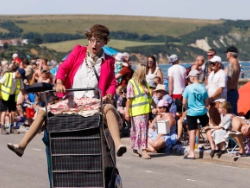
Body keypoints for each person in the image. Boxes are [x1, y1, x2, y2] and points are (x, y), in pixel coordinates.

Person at [7, 24, 127, 158]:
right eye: (92, 40)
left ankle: (118, 145)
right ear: (88, 39)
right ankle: (22, 146)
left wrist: (109, 95)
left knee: (109, 107)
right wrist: (59, 82)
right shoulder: (78, 51)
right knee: (42, 111)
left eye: (98, 41)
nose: (94, 44)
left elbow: (111, 83)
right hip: (72, 101)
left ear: (104, 42)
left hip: (94, 101)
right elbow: (63, 68)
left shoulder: (109, 61)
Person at [182, 70, 215, 159]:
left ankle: (192, 153)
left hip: (192, 112)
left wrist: (186, 108)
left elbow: (184, 102)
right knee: (207, 128)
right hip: (202, 111)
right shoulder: (203, 87)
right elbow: (206, 102)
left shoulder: (188, 88)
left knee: (192, 131)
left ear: (192, 77)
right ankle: (213, 146)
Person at [125, 63, 152, 159]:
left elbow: (149, 97)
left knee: (139, 131)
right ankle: (144, 150)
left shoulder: (145, 83)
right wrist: (127, 113)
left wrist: (155, 107)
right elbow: (129, 99)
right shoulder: (132, 83)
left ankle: (135, 148)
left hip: (145, 111)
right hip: (137, 111)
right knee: (140, 131)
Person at [0, 68, 26, 134]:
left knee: (13, 112)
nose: (21, 78)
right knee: (4, 112)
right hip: (4, 96)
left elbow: (22, 89)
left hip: (12, 96)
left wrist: (26, 98)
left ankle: (12, 127)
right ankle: (3, 127)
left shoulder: (19, 79)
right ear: (18, 73)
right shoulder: (7, 75)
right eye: (21, 76)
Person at [207, 56, 228, 126]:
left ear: (219, 64)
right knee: (212, 122)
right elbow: (208, 87)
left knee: (219, 122)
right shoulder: (211, 74)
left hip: (219, 101)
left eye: (213, 63)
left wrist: (211, 98)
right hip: (212, 102)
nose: (211, 65)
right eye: (210, 63)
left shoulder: (222, 74)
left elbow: (220, 90)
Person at [224, 46, 240, 115]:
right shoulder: (237, 63)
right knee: (234, 114)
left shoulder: (231, 65)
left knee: (229, 115)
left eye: (226, 53)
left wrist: (225, 92)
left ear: (229, 54)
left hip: (230, 92)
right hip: (234, 91)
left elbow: (230, 79)